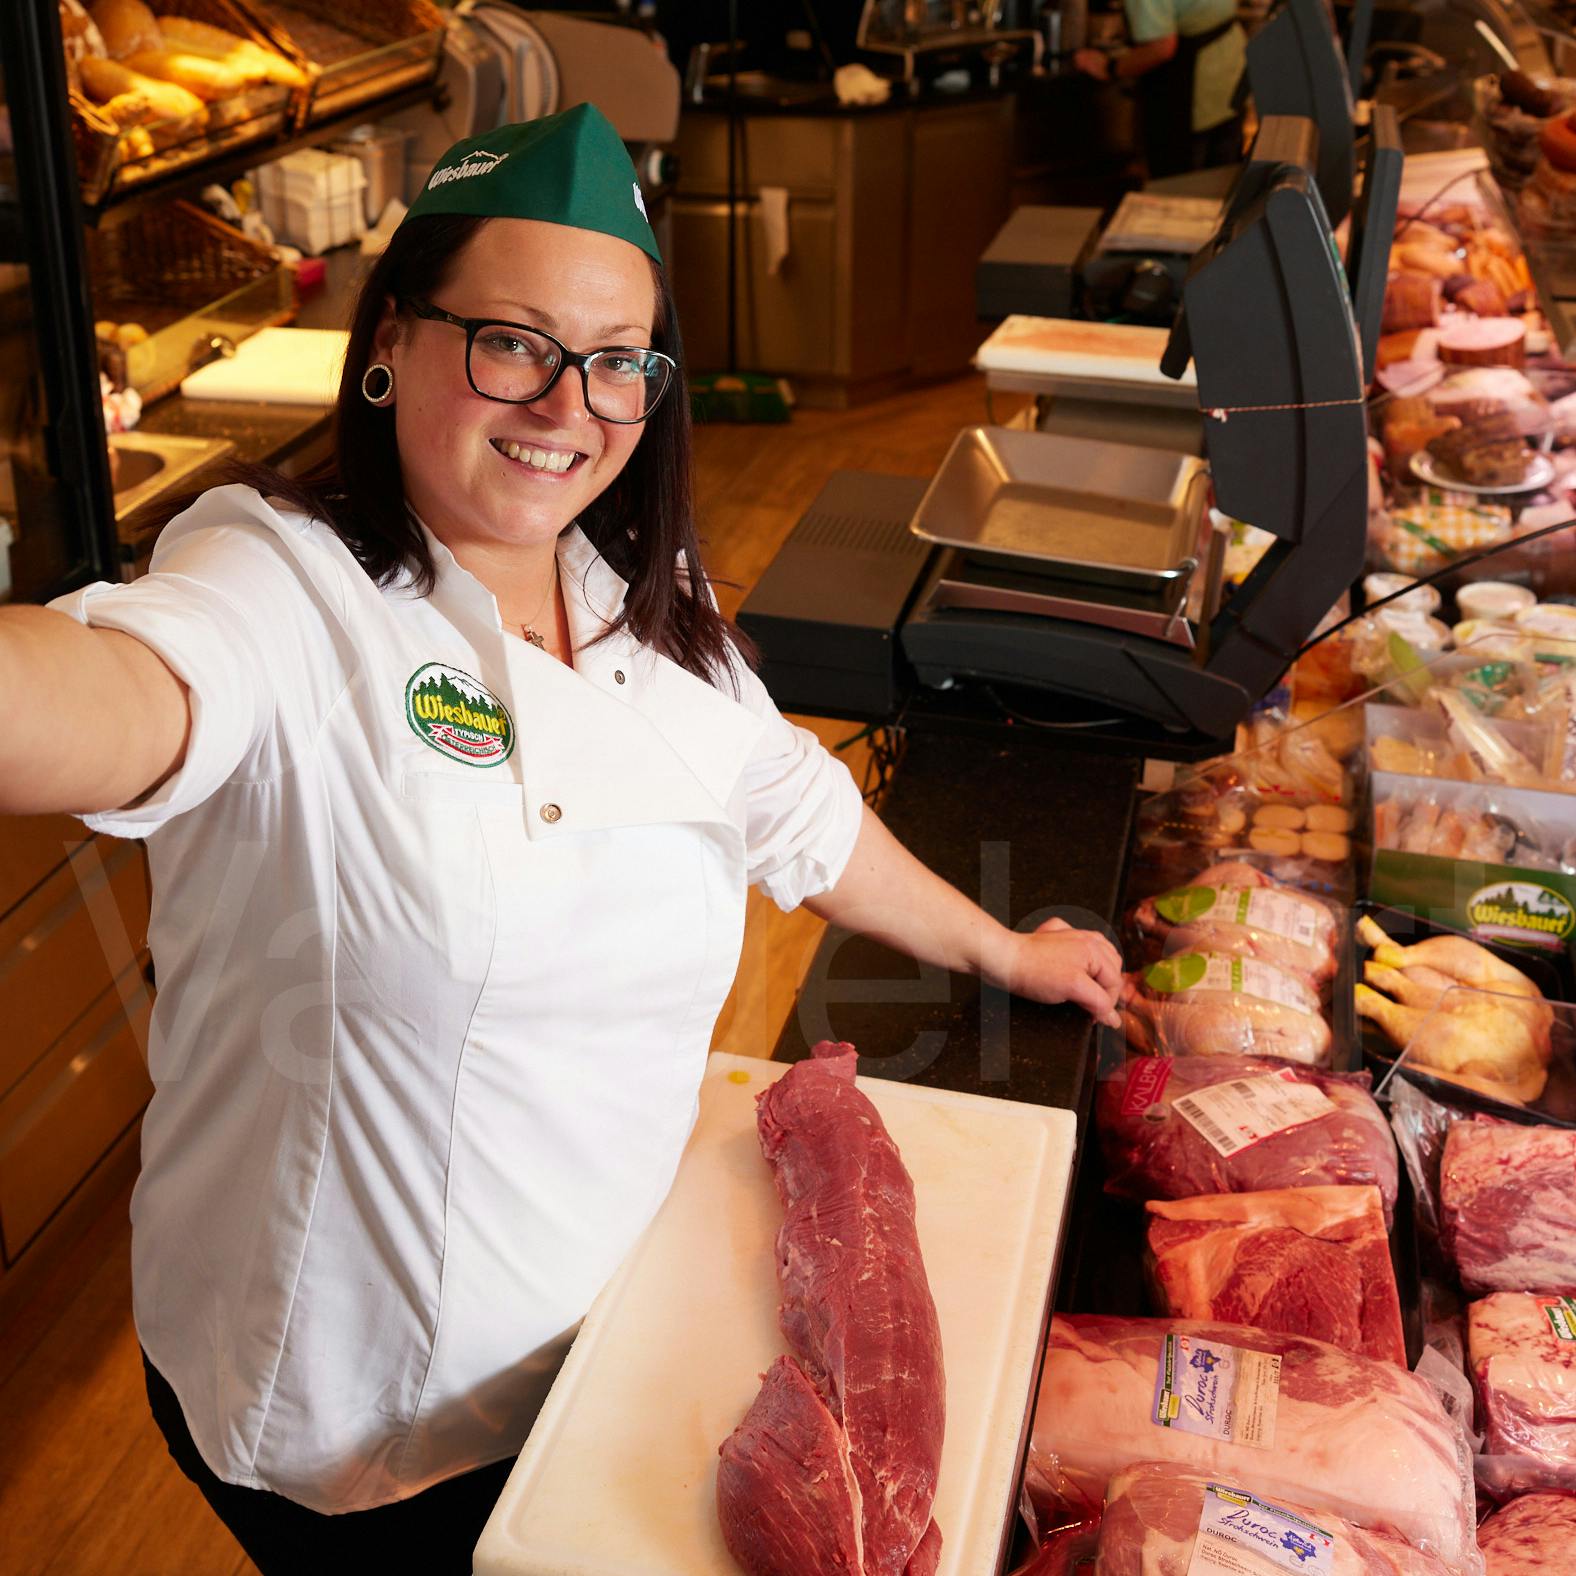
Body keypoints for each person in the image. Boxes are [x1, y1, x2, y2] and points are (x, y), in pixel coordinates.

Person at [0, 106, 1123, 1572]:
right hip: (363, 1435)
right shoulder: (281, 588)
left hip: (602, 1360)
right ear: (392, 340)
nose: (567, 405)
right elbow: (106, 693)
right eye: (515, 342)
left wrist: (1001, 946)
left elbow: (789, 801)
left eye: (615, 363)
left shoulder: (637, 605)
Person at [1075, 0, 1247, 178]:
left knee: (1180, 189)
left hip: (1193, 93)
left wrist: (1110, 67)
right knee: (1222, 180)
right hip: (1230, 74)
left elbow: (1161, 47)